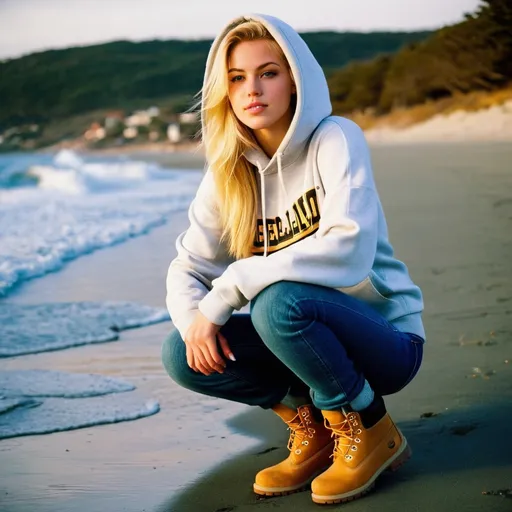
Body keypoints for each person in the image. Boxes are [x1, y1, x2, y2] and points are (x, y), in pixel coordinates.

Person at [162, 13, 425, 505]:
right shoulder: (227, 174)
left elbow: (347, 248)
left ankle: (369, 426)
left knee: (276, 303)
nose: (252, 89)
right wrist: (195, 322)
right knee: (182, 353)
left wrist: (232, 286)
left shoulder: (336, 138)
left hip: (386, 340)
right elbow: (188, 267)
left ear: (295, 79)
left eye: (269, 72)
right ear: (224, 90)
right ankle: (318, 428)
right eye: (237, 78)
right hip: (304, 341)